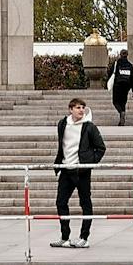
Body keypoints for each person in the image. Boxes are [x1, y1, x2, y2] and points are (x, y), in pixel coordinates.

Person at [51, 97, 106, 249]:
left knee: (85, 203)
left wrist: (88, 163)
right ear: (70, 110)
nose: (81, 110)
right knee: (61, 202)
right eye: (78, 107)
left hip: (81, 171)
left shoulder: (89, 127)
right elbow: (62, 145)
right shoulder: (63, 124)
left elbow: (101, 148)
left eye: (83, 107)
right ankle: (64, 236)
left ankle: (84, 237)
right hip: (66, 170)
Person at [105, 47, 133, 126]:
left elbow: (110, 73)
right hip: (126, 86)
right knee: (123, 102)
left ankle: (121, 112)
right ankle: (121, 117)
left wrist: (107, 82)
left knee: (115, 101)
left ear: (120, 55)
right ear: (127, 55)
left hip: (117, 85)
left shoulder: (117, 64)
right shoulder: (130, 65)